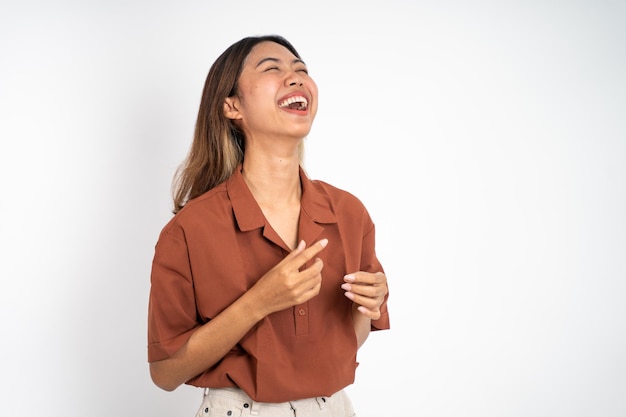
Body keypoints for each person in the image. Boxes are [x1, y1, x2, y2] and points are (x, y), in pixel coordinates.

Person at [147, 34, 390, 417]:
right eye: (273, 69)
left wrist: (367, 306)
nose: (295, 78)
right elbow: (165, 372)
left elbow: (345, 344)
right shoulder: (190, 230)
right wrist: (260, 301)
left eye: (301, 71)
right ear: (232, 106)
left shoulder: (349, 213)